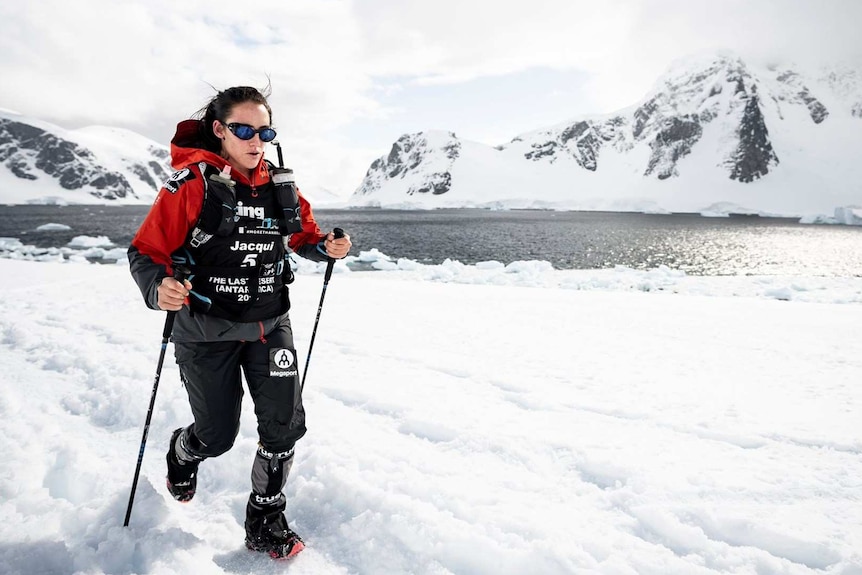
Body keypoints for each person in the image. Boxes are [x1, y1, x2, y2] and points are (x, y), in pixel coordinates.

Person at [128, 85, 351, 559]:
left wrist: (325, 246)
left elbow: (302, 236)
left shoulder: (282, 187)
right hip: (205, 330)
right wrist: (158, 287)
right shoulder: (191, 185)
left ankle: (264, 517)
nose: (256, 141)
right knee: (218, 436)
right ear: (220, 130)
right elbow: (146, 252)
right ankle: (185, 451)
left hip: (271, 324)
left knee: (284, 425)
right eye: (244, 129)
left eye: (264, 131)